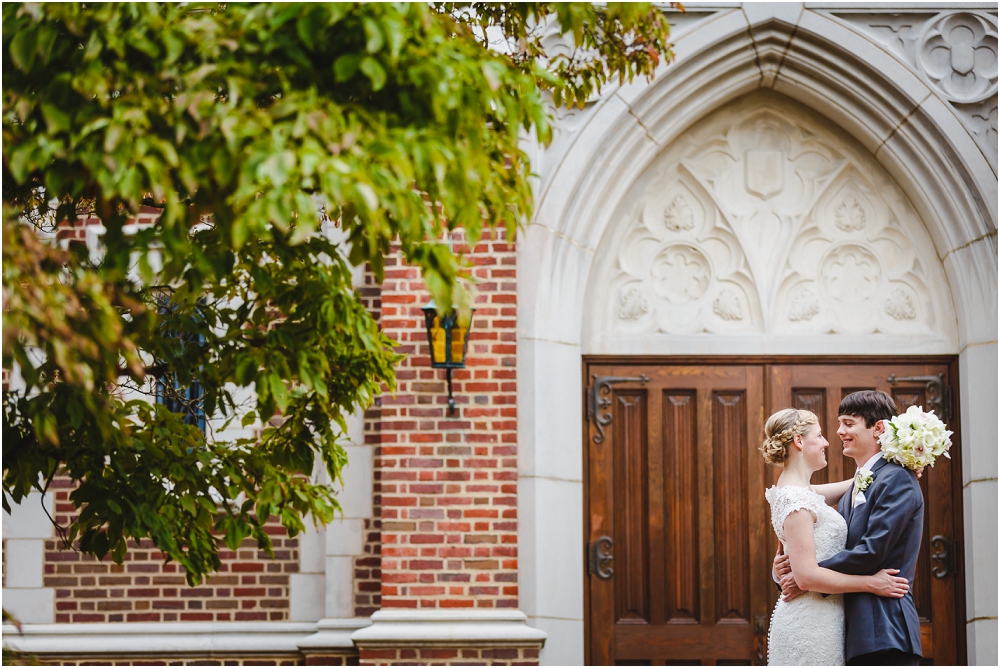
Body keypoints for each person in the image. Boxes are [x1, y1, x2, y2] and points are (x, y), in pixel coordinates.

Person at [774, 391, 924, 665]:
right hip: (850, 632)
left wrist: (806, 577)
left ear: (878, 428)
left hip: (884, 630)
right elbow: (798, 502)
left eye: (848, 423)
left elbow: (871, 552)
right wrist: (789, 569)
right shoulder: (857, 486)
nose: (838, 432)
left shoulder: (897, 480)